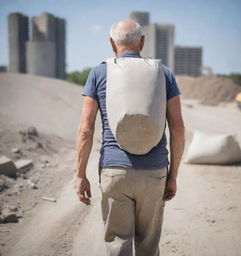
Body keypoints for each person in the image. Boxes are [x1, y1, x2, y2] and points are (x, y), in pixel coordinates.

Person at [76, 19, 185, 256]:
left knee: (117, 244)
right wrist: (173, 175)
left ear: (111, 43)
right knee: (148, 245)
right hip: (154, 172)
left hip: (115, 171)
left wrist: (80, 174)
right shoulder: (164, 73)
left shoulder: (98, 73)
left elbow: (86, 129)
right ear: (142, 42)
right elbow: (177, 127)